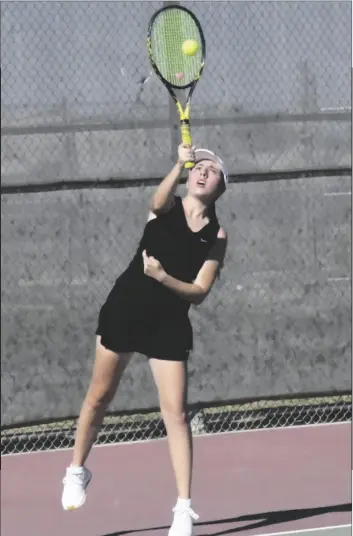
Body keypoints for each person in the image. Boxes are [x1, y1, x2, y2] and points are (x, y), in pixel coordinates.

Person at [61, 143, 228, 536]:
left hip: (169, 324)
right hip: (126, 309)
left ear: (222, 186)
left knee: (177, 414)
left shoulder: (216, 236)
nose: (203, 172)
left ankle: (184, 509)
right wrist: (177, 163)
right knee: (99, 397)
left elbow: (200, 291)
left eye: (213, 170)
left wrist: (162, 278)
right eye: (198, 167)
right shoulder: (164, 208)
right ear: (188, 175)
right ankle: (76, 470)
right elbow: (156, 198)